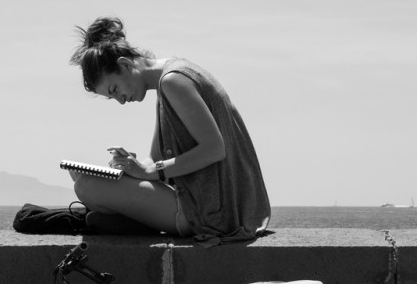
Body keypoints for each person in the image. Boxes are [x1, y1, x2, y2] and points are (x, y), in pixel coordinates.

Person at [69, 16, 270, 245]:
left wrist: (148, 172)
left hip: (214, 210)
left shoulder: (173, 81)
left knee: (87, 186)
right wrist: (128, 167)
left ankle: (134, 222)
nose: (121, 101)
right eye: (111, 97)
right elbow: (154, 161)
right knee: (84, 178)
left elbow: (214, 149)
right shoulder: (167, 82)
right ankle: (134, 220)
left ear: (125, 64)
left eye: (114, 89)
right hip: (206, 202)